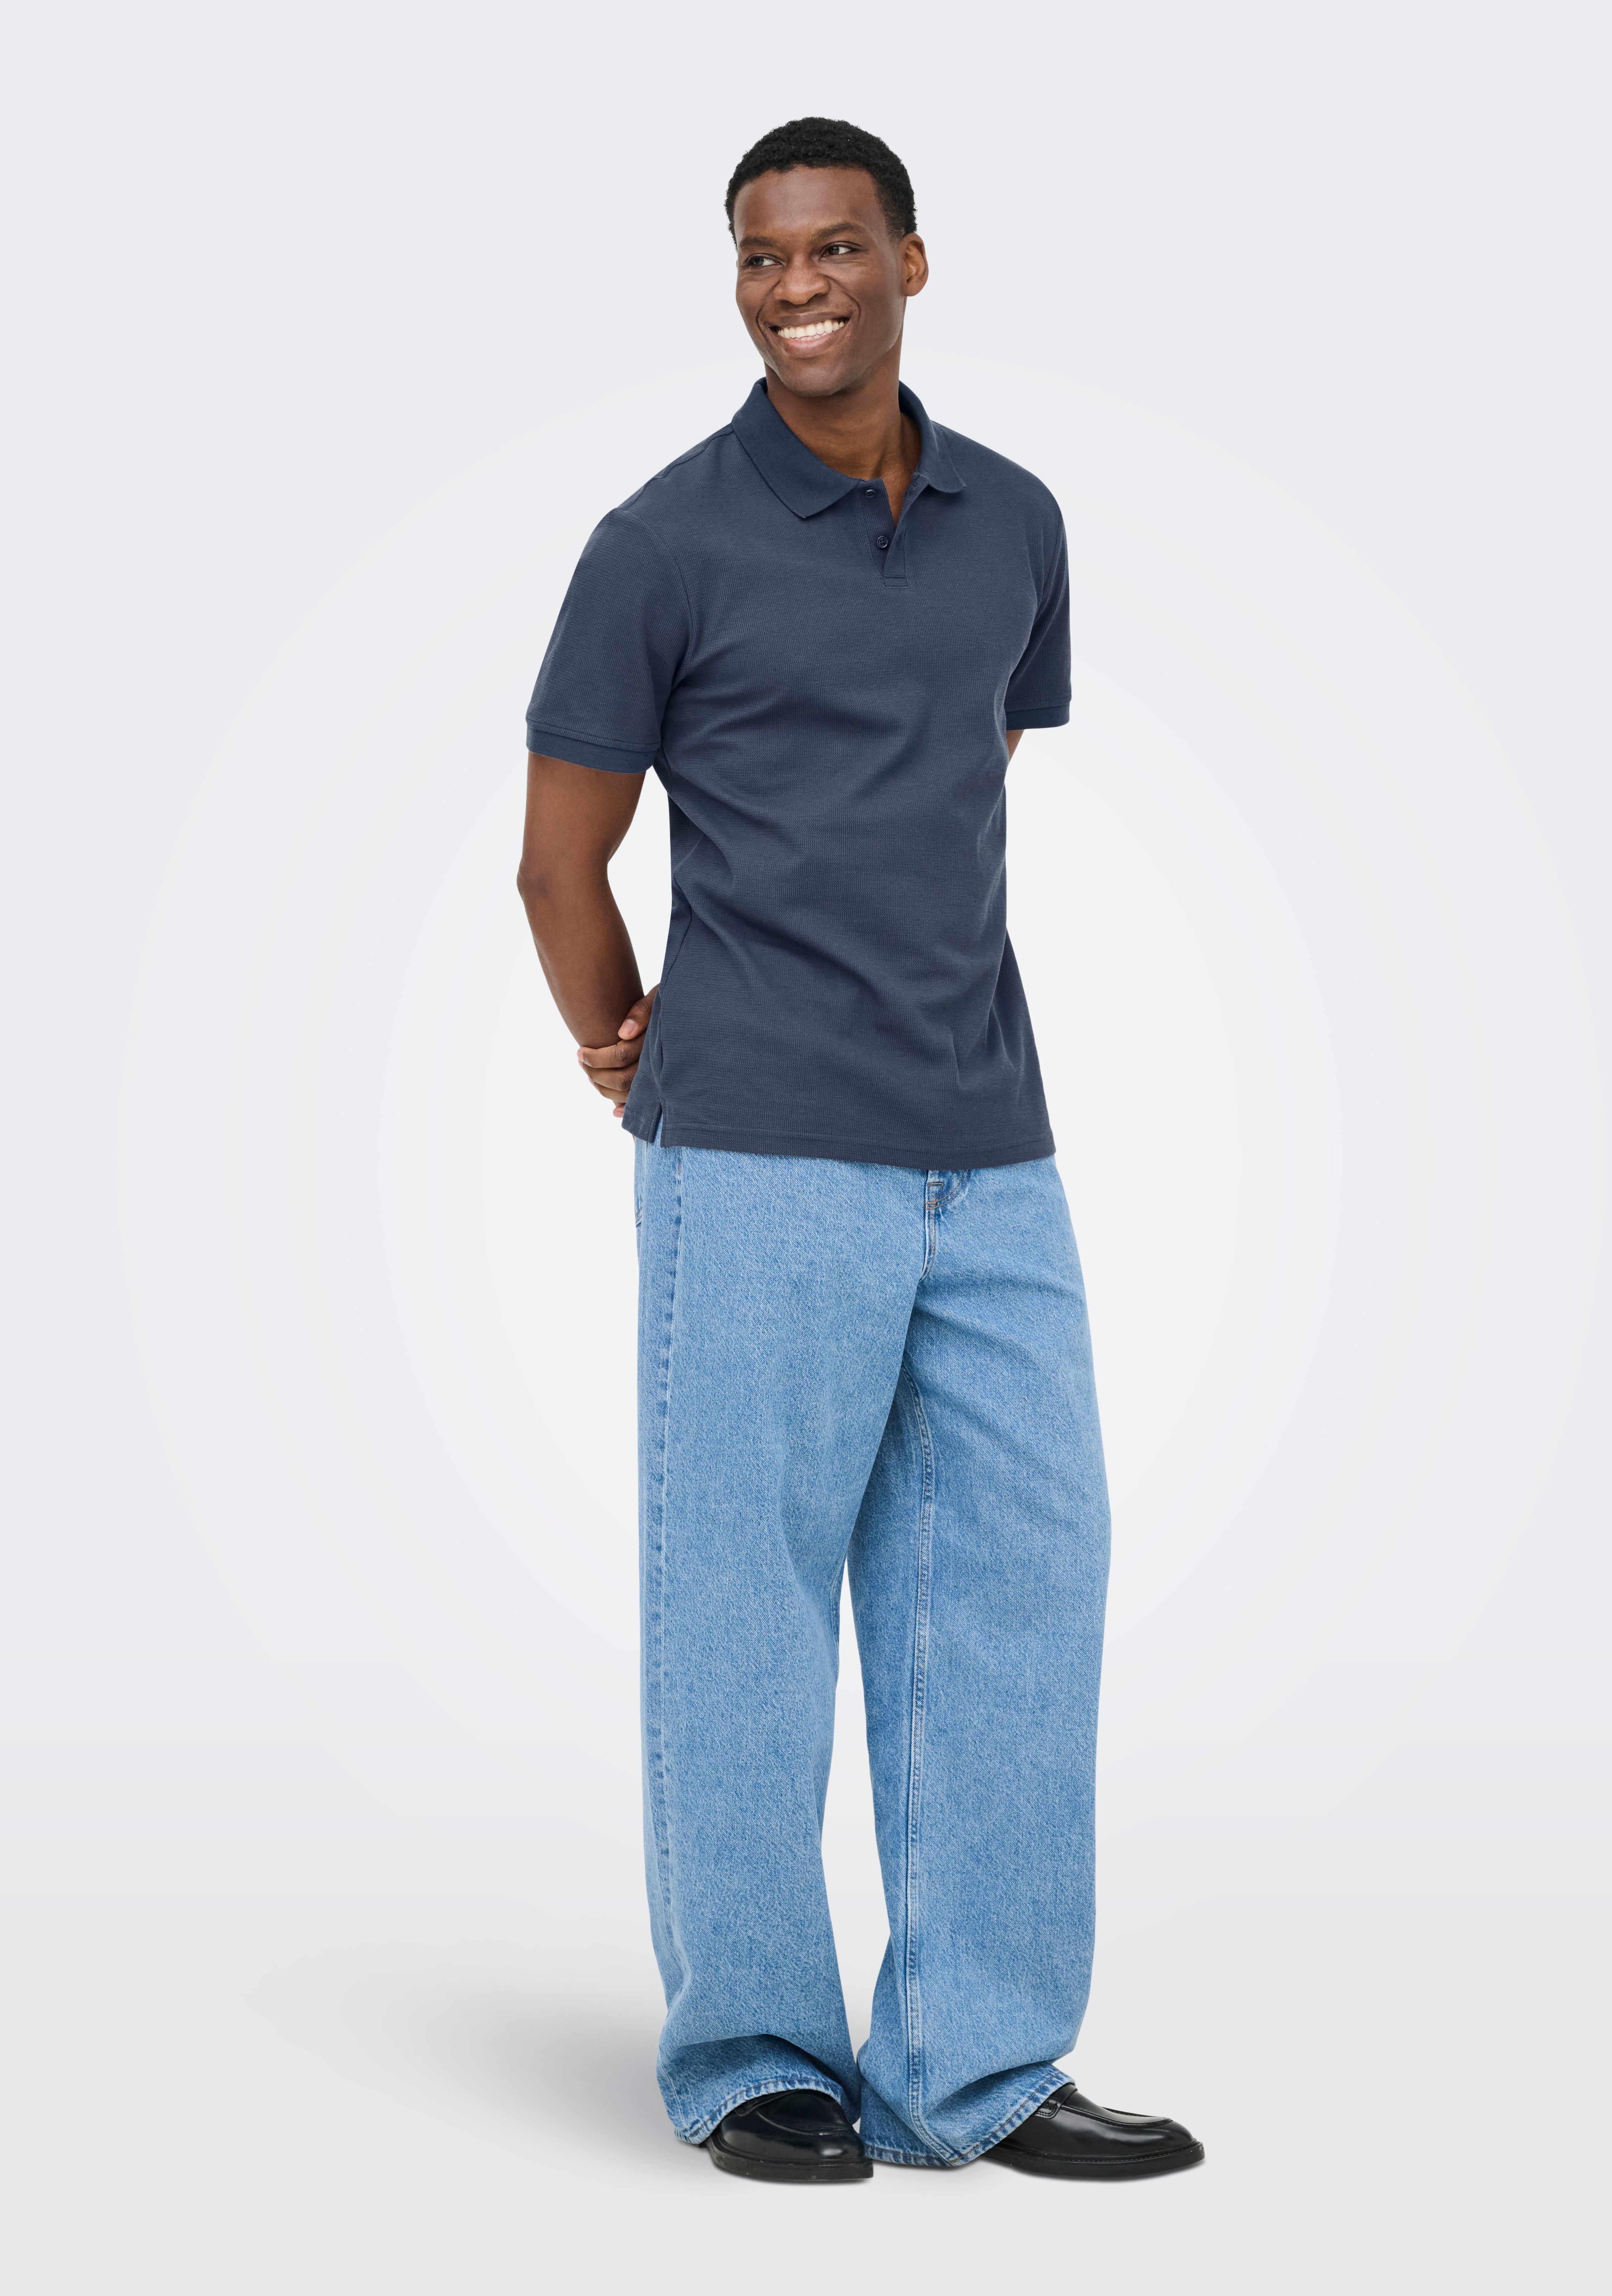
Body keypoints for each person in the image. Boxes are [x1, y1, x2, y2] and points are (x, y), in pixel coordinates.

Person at [516, 116, 1202, 2187]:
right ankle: (756, 2057)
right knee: (745, 1607)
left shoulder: (1017, 522)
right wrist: (626, 1053)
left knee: (1019, 1588)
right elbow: (559, 860)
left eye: (831, 248)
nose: (795, 287)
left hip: (991, 1146)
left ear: (911, 258)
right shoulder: (659, 543)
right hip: (758, 1152)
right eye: (760, 257)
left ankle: (976, 2064)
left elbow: (956, 774)